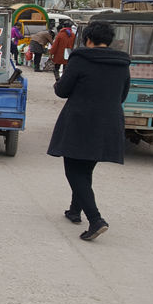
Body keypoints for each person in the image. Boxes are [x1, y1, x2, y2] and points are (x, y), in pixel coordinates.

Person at [47, 21, 130, 241]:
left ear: (88, 40)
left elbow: (63, 91)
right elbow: (122, 94)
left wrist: (57, 85)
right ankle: (75, 210)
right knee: (85, 168)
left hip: (80, 121)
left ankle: (96, 220)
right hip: (109, 122)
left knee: (74, 170)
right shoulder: (122, 63)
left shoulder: (81, 58)